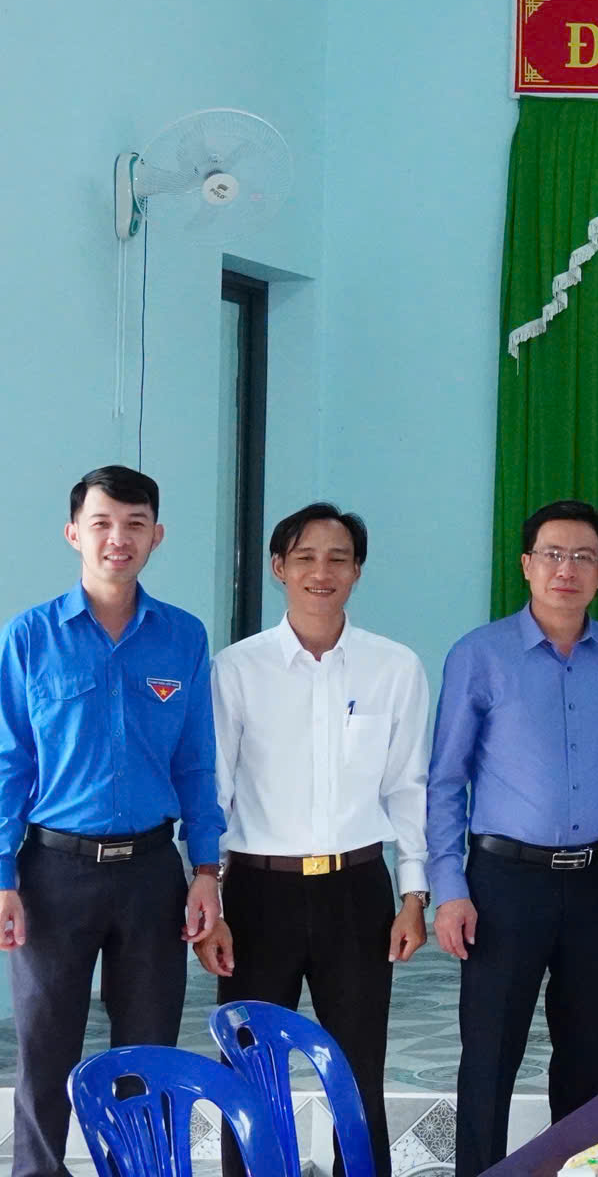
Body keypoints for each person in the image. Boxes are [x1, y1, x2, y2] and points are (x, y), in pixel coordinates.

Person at [194, 504, 433, 1177]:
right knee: (250, 1073)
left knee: (357, 1075)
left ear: (357, 571)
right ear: (279, 568)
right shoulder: (236, 669)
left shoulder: (395, 668)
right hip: (257, 894)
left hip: (357, 892)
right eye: (304, 558)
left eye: (337, 558)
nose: (320, 572)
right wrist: (210, 896)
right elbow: (213, 792)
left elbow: (408, 787)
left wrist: (413, 894)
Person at [0, 466, 224, 1177]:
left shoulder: (183, 637)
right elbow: (9, 762)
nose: (117, 538)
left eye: (135, 524)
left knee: (148, 1054)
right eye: (101, 523)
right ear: (74, 533)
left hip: (153, 874)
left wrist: (207, 870)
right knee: (46, 1053)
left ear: (157, 535)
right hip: (53, 874)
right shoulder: (30, 636)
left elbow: (196, 762)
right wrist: (2, 876)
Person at [427, 499, 598, 1177]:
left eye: (583, 557)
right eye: (553, 555)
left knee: (591, 1055)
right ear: (527, 565)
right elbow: (445, 780)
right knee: (489, 1055)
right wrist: (449, 887)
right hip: (505, 883)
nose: (567, 569)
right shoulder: (480, 654)